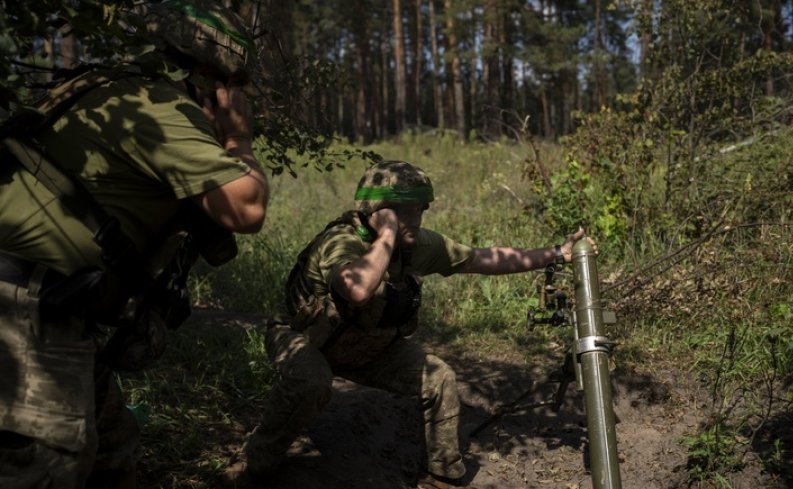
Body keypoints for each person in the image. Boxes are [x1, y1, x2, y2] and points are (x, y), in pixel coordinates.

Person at [0, 1, 269, 488]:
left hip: (46, 305)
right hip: (24, 309)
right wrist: (238, 138)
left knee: (113, 447)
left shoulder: (109, 91)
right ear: (210, 76)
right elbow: (245, 208)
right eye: (232, 88)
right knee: (46, 467)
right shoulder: (165, 107)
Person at [237, 160, 592, 489]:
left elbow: (484, 259)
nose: (417, 219)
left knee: (439, 380)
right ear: (375, 211)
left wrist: (555, 253)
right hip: (303, 339)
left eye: (420, 209)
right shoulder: (341, 241)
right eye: (405, 210)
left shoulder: (420, 245)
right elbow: (357, 290)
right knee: (312, 381)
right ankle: (257, 466)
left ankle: (442, 474)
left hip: (364, 347)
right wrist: (387, 237)